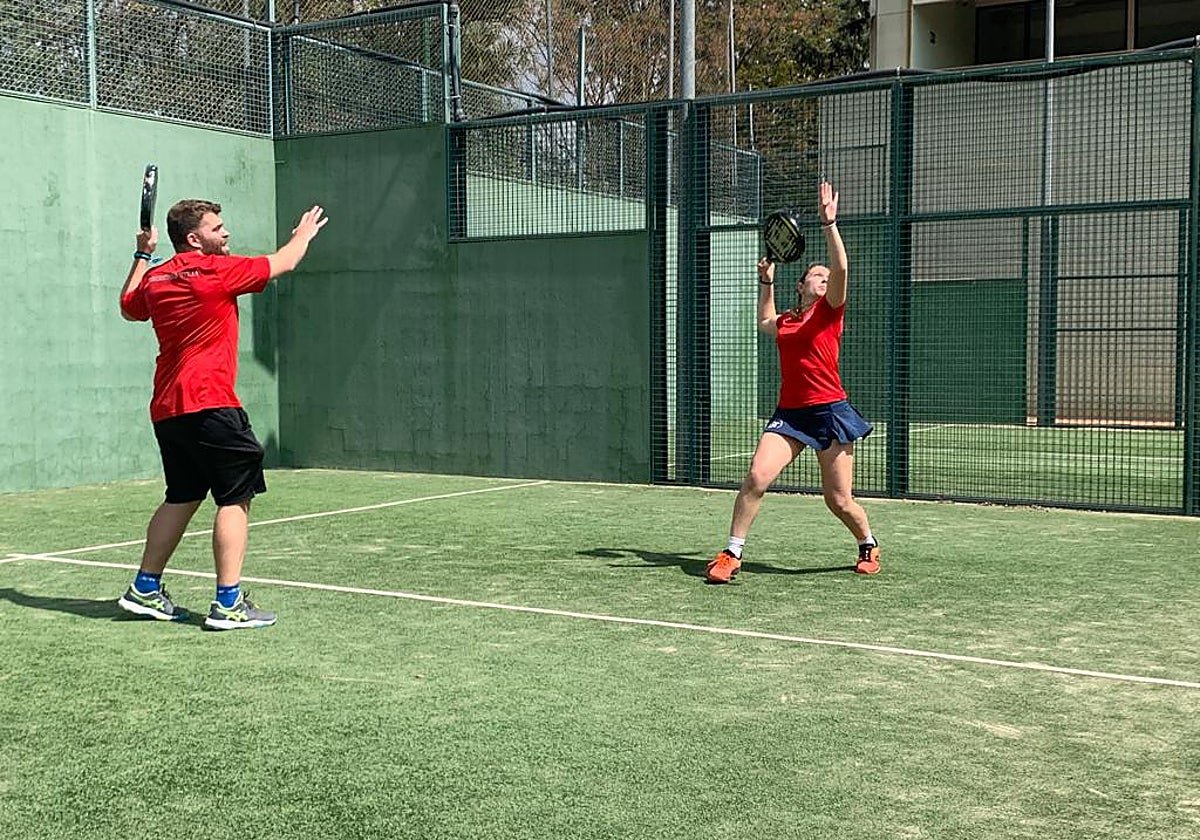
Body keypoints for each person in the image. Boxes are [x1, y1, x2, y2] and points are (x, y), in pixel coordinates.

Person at [116, 200, 328, 629]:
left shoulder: (156, 278)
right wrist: (303, 234)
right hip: (211, 403)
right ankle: (228, 604)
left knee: (182, 495)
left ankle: (144, 588)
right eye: (218, 227)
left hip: (168, 409)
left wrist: (142, 254)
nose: (226, 233)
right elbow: (283, 262)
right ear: (195, 239)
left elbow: (128, 305)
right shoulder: (215, 273)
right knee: (234, 497)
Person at [707, 180, 879, 584]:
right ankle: (732, 554)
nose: (823, 280)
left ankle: (868, 543)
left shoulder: (830, 311)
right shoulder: (787, 319)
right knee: (756, 477)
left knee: (838, 501)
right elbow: (765, 321)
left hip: (830, 412)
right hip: (790, 414)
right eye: (814, 277)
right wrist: (766, 281)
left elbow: (842, 268)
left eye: (825, 278)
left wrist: (828, 224)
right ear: (800, 285)